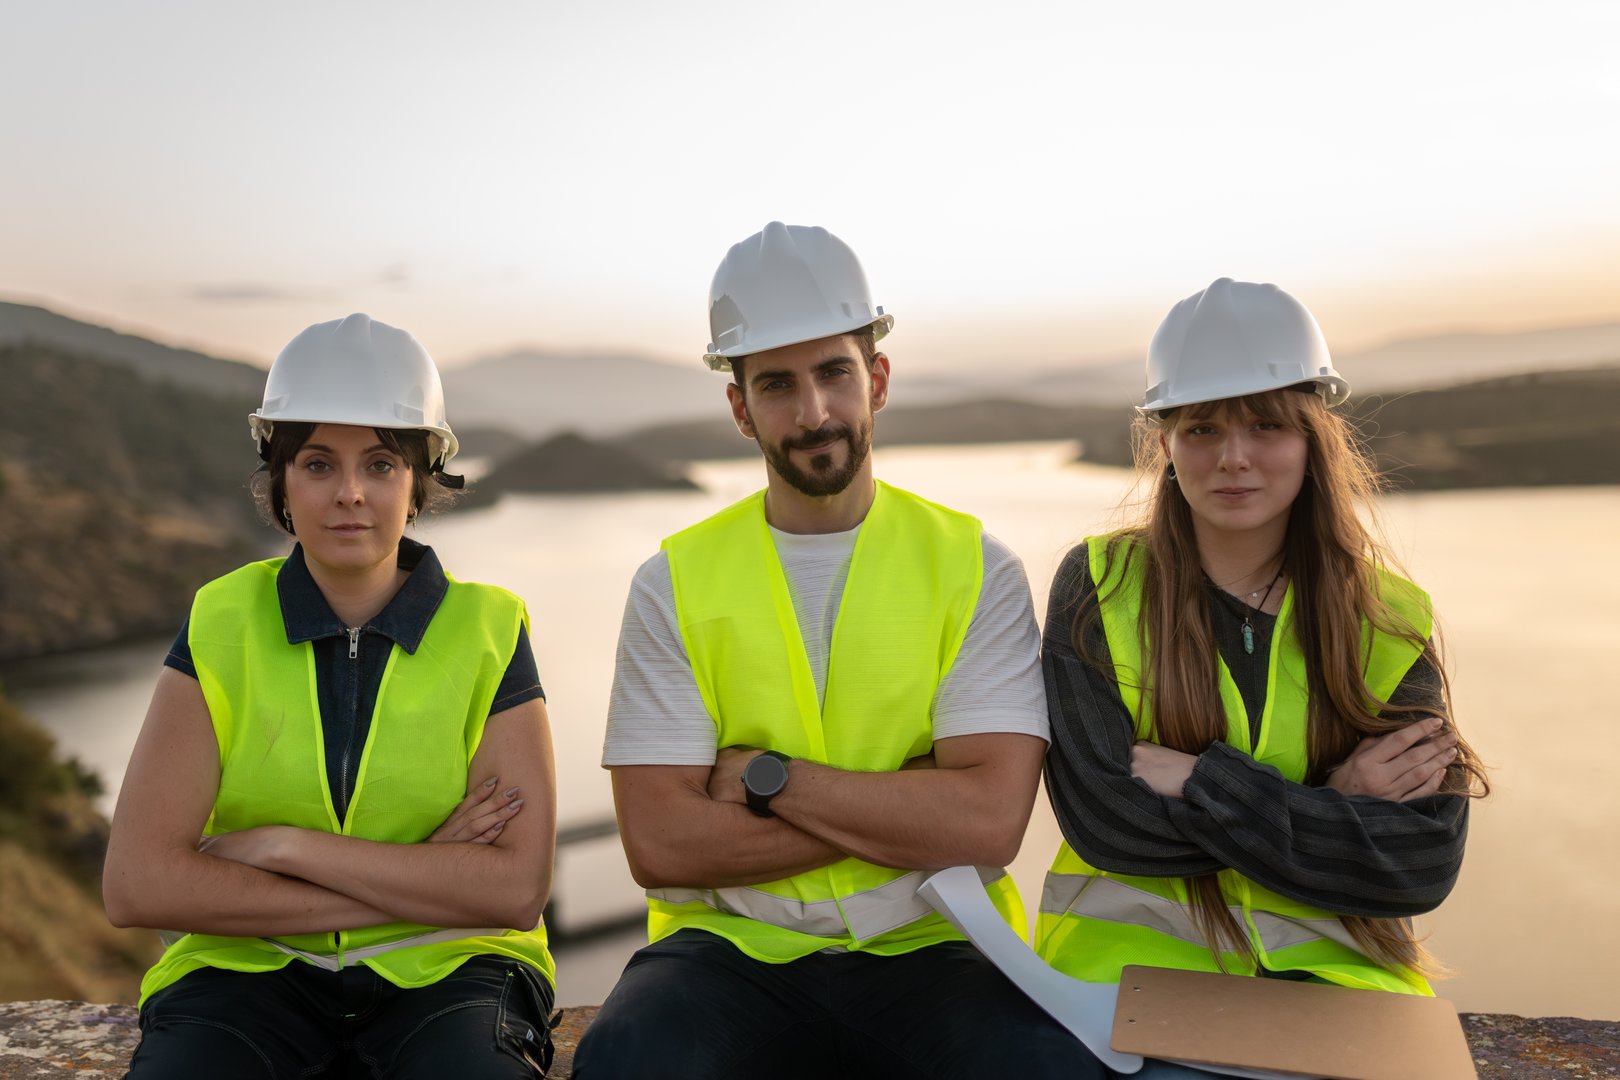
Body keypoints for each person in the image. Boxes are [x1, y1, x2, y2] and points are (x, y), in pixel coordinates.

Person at [572, 223, 1105, 1079]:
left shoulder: (975, 567)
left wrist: (764, 781)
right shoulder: (671, 583)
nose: (813, 412)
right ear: (740, 407)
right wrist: (910, 806)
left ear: (877, 379)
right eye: (777, 384)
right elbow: (663, 846)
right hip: (728, 949)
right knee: (628, 1059)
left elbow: (989, 824)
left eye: (834, 373)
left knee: (1050, 1068)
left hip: (934, 935)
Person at [1036, 279, 1490, 1077]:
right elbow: (1109, 822)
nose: (1234, 456)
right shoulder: (1101, 585)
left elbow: (1421, 861)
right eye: (1203, 427)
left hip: (1340, 982)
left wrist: (1207, 784)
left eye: (1267, 425)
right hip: (1129, 983)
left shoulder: (1384, 615)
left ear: (1313, 438)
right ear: (1167, 443)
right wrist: (1340, 806)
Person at [104, 314, 558, 1078]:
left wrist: (287, 849)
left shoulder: (489, 626)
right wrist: (424, 874)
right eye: (318, 465)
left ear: (419, 480)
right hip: (243, 972)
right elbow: (139, 882)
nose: (350, 493)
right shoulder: (221, 618)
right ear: (280, 479)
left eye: (380, 465)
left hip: (452, 969)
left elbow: (513, 888)